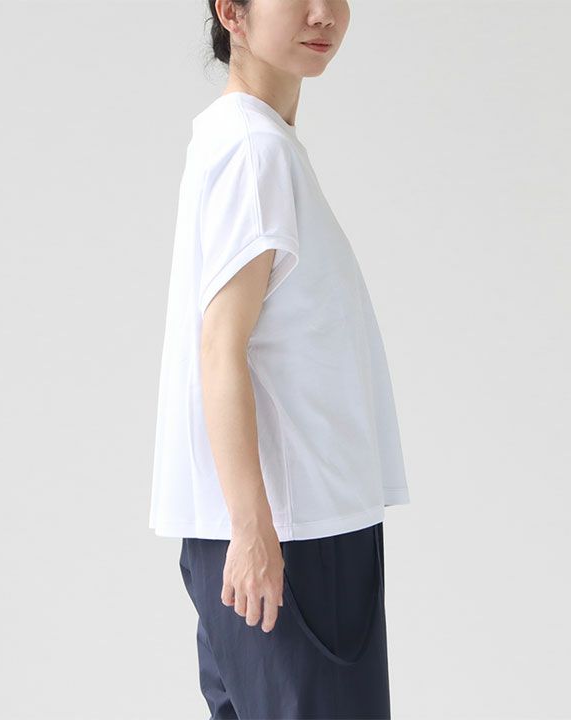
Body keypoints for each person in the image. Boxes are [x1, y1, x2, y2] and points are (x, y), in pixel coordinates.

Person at [149, 0, 411, 717]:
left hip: (277, 528)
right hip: (292, 535)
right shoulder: (254, 151)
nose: (323, 13)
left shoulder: (246, 140)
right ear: (231, 13)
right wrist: (253, 529)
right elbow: (220, 346)